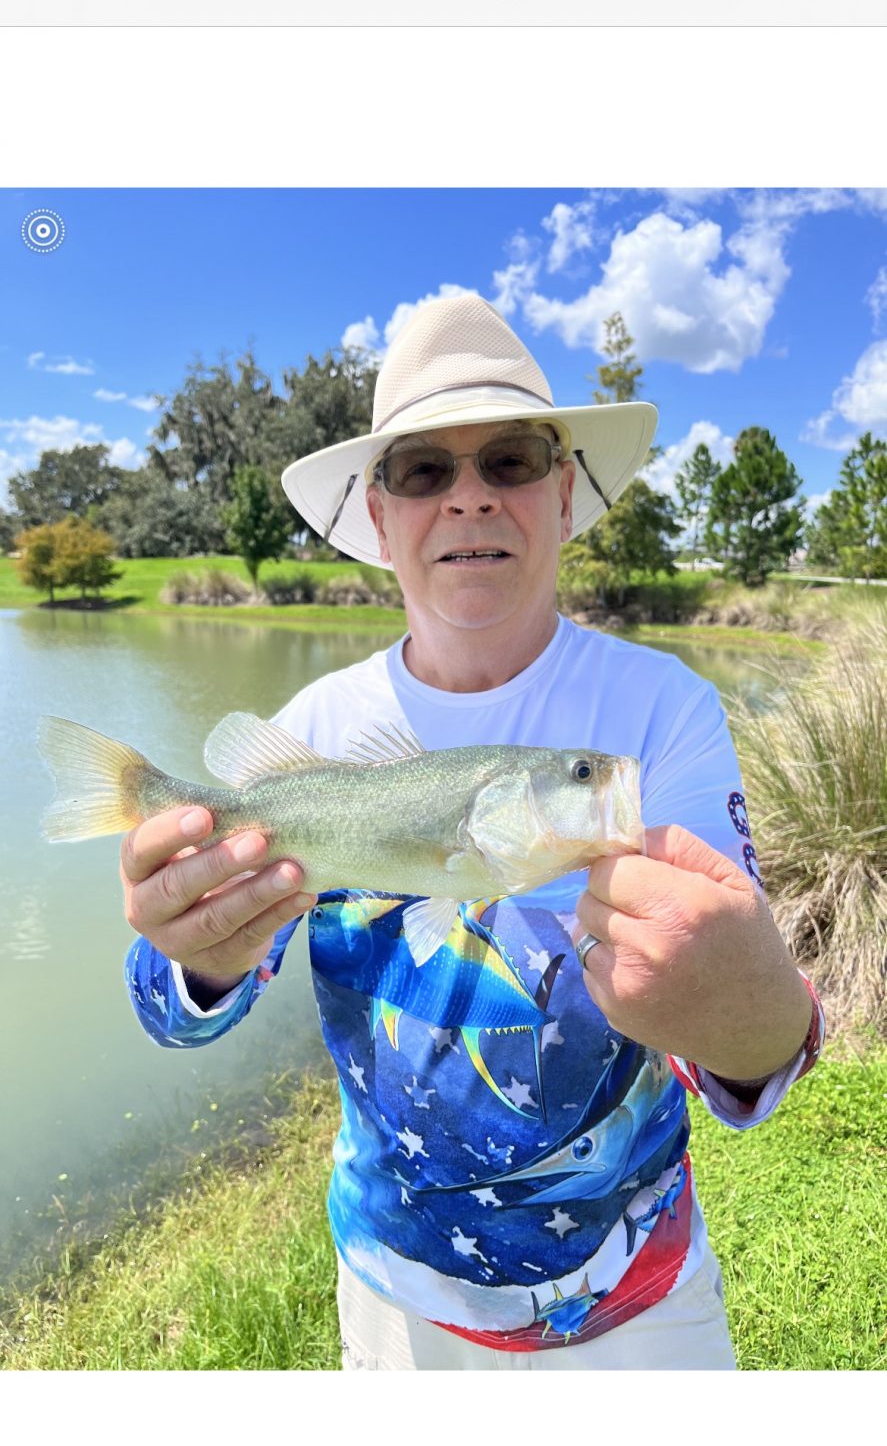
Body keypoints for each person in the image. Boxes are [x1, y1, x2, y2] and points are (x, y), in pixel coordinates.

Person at [122, 293, 824, 1371]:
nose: (467, 500)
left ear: (560, 489)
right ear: (379, 509)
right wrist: (197, 964)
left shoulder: (659, 712)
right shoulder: (312, 731)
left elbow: (734, 1058)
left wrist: (758, 1019)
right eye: (421, 471)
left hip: (634, 1304)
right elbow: (176, 1019)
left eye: (507, 460)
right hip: (394, 1306)